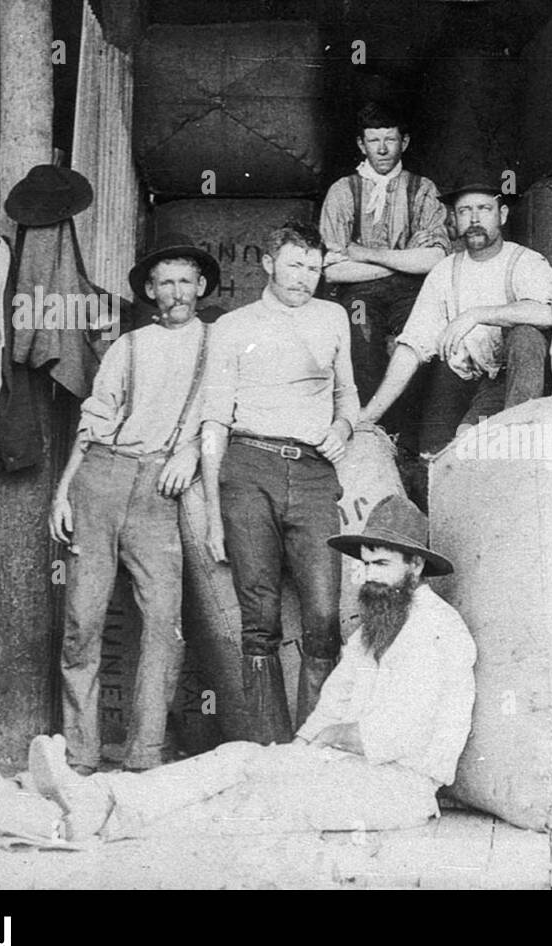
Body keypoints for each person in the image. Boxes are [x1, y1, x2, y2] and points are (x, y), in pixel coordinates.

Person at [26, 495, 477, 841]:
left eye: (383, 565)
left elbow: (394, 735)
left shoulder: (435, 630)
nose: (370, 576)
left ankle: (101, 814)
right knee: (241, 758)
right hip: (348, 768)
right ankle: (98, 800)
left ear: (415, 564)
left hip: (398, 790)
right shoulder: (376, 627)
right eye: (366, 565)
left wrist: (321, 742)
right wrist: (296, 749)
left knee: (257, 795)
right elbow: (335, 699)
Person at [48, 234, 221, 773]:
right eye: (165, 282)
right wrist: (62, 492)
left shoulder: (222, 345)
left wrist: (191, 449)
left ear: (201, 287)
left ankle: (145, 752)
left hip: (157, 493)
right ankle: (80, 754)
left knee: (164, 624)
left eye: (185, 280)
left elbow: (228, 415)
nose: (176, 292)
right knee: (82, 622)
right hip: (100, 481)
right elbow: (93, 422)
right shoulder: (129, 346)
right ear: (150, 290)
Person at [199, 222, 357, 738]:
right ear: (268, 263)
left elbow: (347, 392)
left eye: (314, 268)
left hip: (314, 473)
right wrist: (210, 515)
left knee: (322, 619)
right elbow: (214, 422)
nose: (304, 278)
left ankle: (315, 747)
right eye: (294, 265)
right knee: (259, 620)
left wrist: (343, 425)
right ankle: (270, 749)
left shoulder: (333, 317)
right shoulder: (232, 327)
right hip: (250, 467)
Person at [359, 177, 552, 456]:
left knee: (526, 336)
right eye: (464, 211)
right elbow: (412, 345)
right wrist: (369, 413)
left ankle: (516, 444)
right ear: (455, 218)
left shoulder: (525, 260)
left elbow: (547, 313)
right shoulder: (445, 270)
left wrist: (475, 315)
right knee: (432, 457)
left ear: (502, 215)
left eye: (484, 209)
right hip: (461, 376)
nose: (474, 219)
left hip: (512, 379)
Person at [320, 101, 451, 433]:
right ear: (361, 144)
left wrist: (365, 253)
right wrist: (403, 260)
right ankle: (372, 432)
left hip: (412, 293)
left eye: (390, 140)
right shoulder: (342, 191)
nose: (382, 149)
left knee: (420, 340)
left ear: (404, 142)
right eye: (374, 140)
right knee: (359, 332)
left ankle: (407, 437)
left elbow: (435, 259)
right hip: (359, 293)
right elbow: (333, 269)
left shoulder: (423, 190)